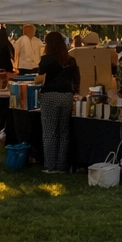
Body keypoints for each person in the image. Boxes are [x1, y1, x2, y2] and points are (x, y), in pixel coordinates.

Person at [35, 31, 78, 172]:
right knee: (63, 131)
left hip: (50, 95)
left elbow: (40, 72)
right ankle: (61, 164)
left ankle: (50, 165)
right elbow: (76, 78)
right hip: (67, 95)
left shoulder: (47, 59)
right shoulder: (71, 59)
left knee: (49, 131)